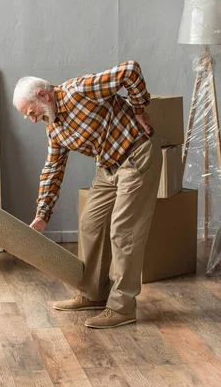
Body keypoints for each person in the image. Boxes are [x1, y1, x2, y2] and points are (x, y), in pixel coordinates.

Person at [13, 61, 162, 328]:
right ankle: (94, 293)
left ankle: (123, 307)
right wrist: (42, 215)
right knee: (90, 222)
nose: (33, 120)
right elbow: (53, 170)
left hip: (137, 155)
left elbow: (130, 70)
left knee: (123, 229)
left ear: (43, 96)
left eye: (31, 112)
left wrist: (139, 109)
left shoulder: (79, 90)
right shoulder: (55, 129)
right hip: (108, 167)